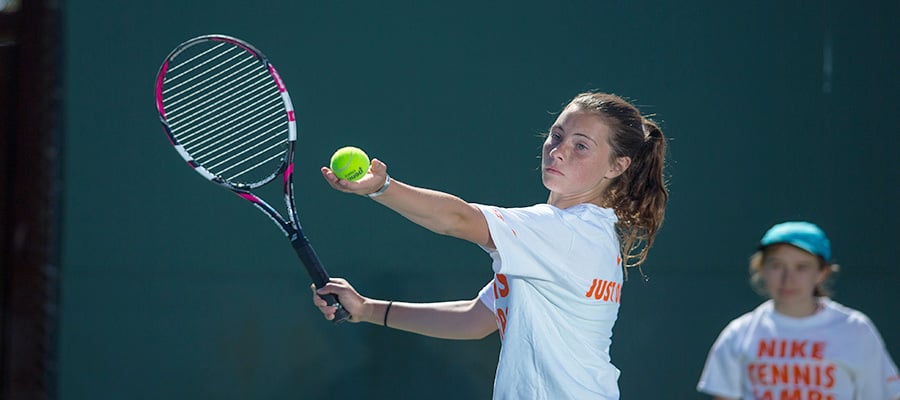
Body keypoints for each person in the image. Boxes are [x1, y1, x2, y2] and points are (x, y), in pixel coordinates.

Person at [311, 92, 669, 399]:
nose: (558, 151)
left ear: (616, 166)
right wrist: (366, 308)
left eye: (581, 146)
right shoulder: (578, 236)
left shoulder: (568, 232)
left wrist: (381, 186)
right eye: (557, 135)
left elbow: (457, 219)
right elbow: (475, 319)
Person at [697, 221, 900, 400]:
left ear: (822, 272)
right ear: (761, 269)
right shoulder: (739, 333)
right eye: (777, 265)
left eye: (801, 267)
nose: (788, 278)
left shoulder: (856, 329)